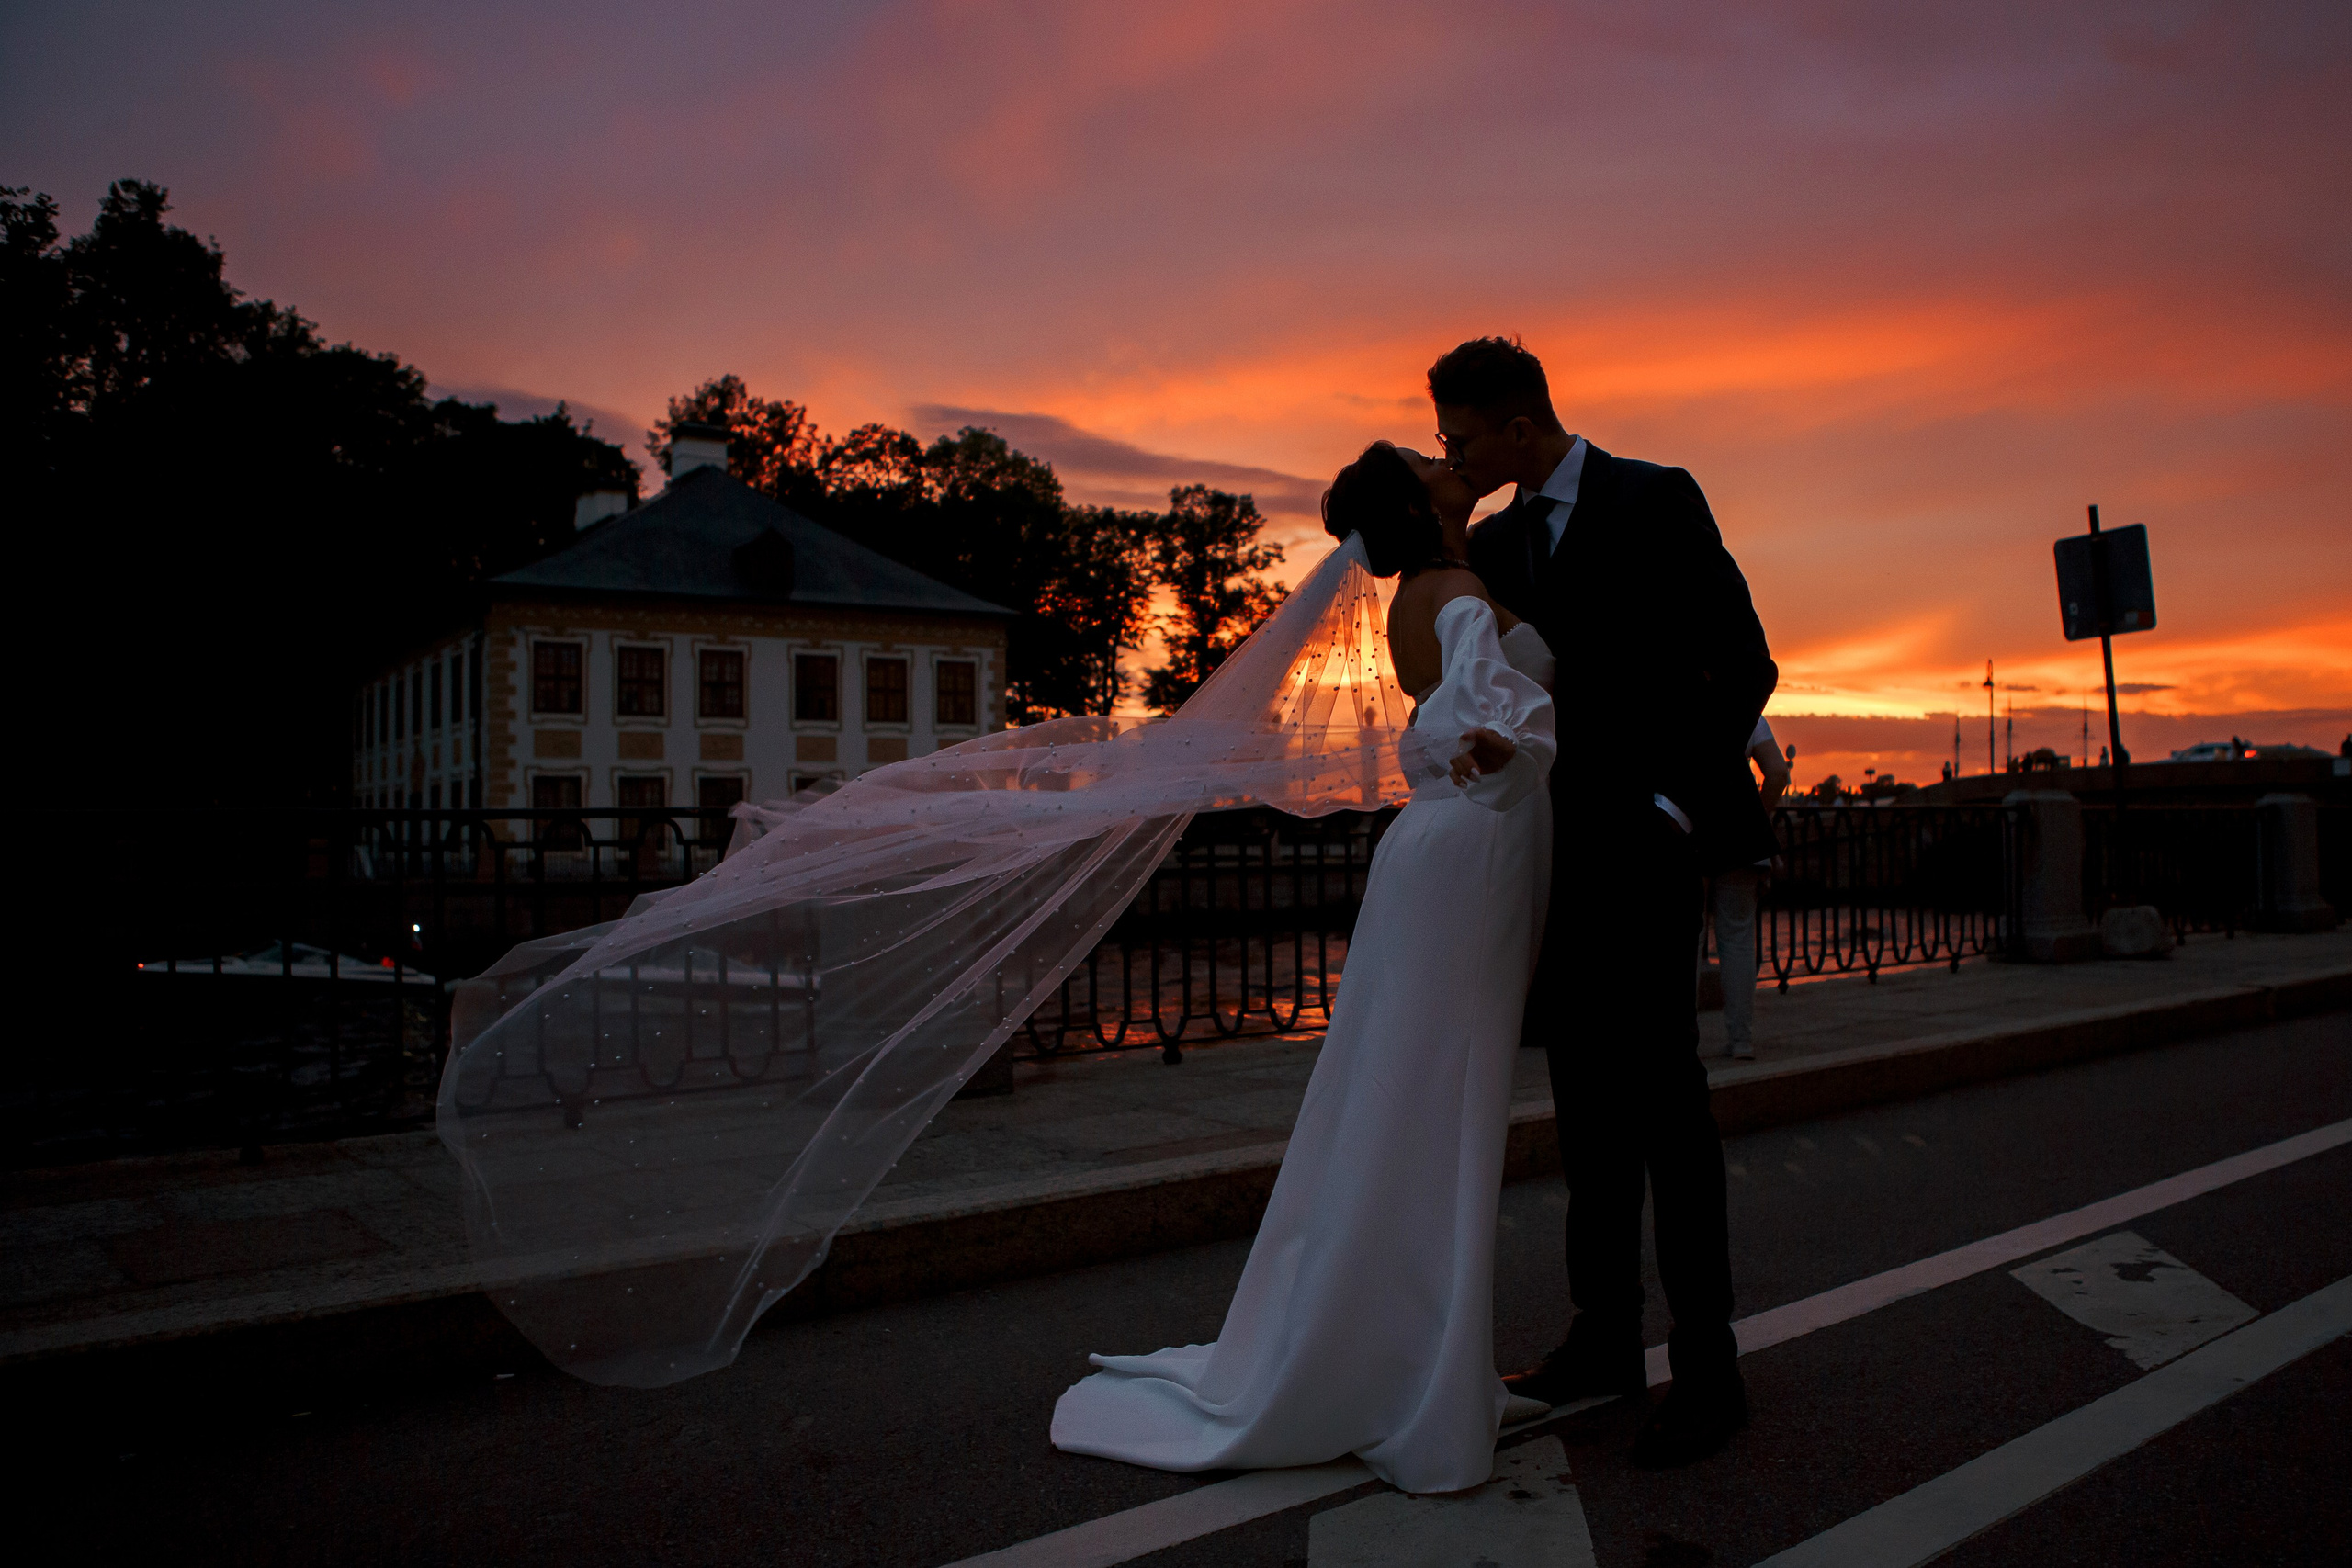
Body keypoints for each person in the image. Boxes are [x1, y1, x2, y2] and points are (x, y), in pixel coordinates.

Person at [1050, 442, 1560, 1495]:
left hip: (1435, 856)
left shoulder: (1417, 594)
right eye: (1429, 458)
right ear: (1420, 502)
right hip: (1474, 853)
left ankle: (1404, 1350)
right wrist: (1507, 748)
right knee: (1444, 1106)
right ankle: (1419, 1377)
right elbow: (1491, 720)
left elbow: (1460, 710)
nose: (1441, 456)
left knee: (1403, 1100)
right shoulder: (1460, 591)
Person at [1443, 336, 1777, 1468]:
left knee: (1666, 1103)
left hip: (1645, 844)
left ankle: (1709, 1364)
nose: (1452, 453)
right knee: (1583, 1102)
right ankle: (1602, 1338)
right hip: (1546, 859)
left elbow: (1742, 660)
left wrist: (1676, 808)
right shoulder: (1484, 543)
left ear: (1519, 427)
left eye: (1462, 436)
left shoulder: (1652, 496)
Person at [1709, 719, 1791, 1061]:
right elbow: (1778, 774)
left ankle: (1679, 1041)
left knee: (1684, 937)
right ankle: (1741, 1038)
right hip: (1741, 828)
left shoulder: (1680, 695)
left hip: (1687, 821)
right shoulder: (1747, 706)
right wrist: (1761, 813)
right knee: (1738, 937)